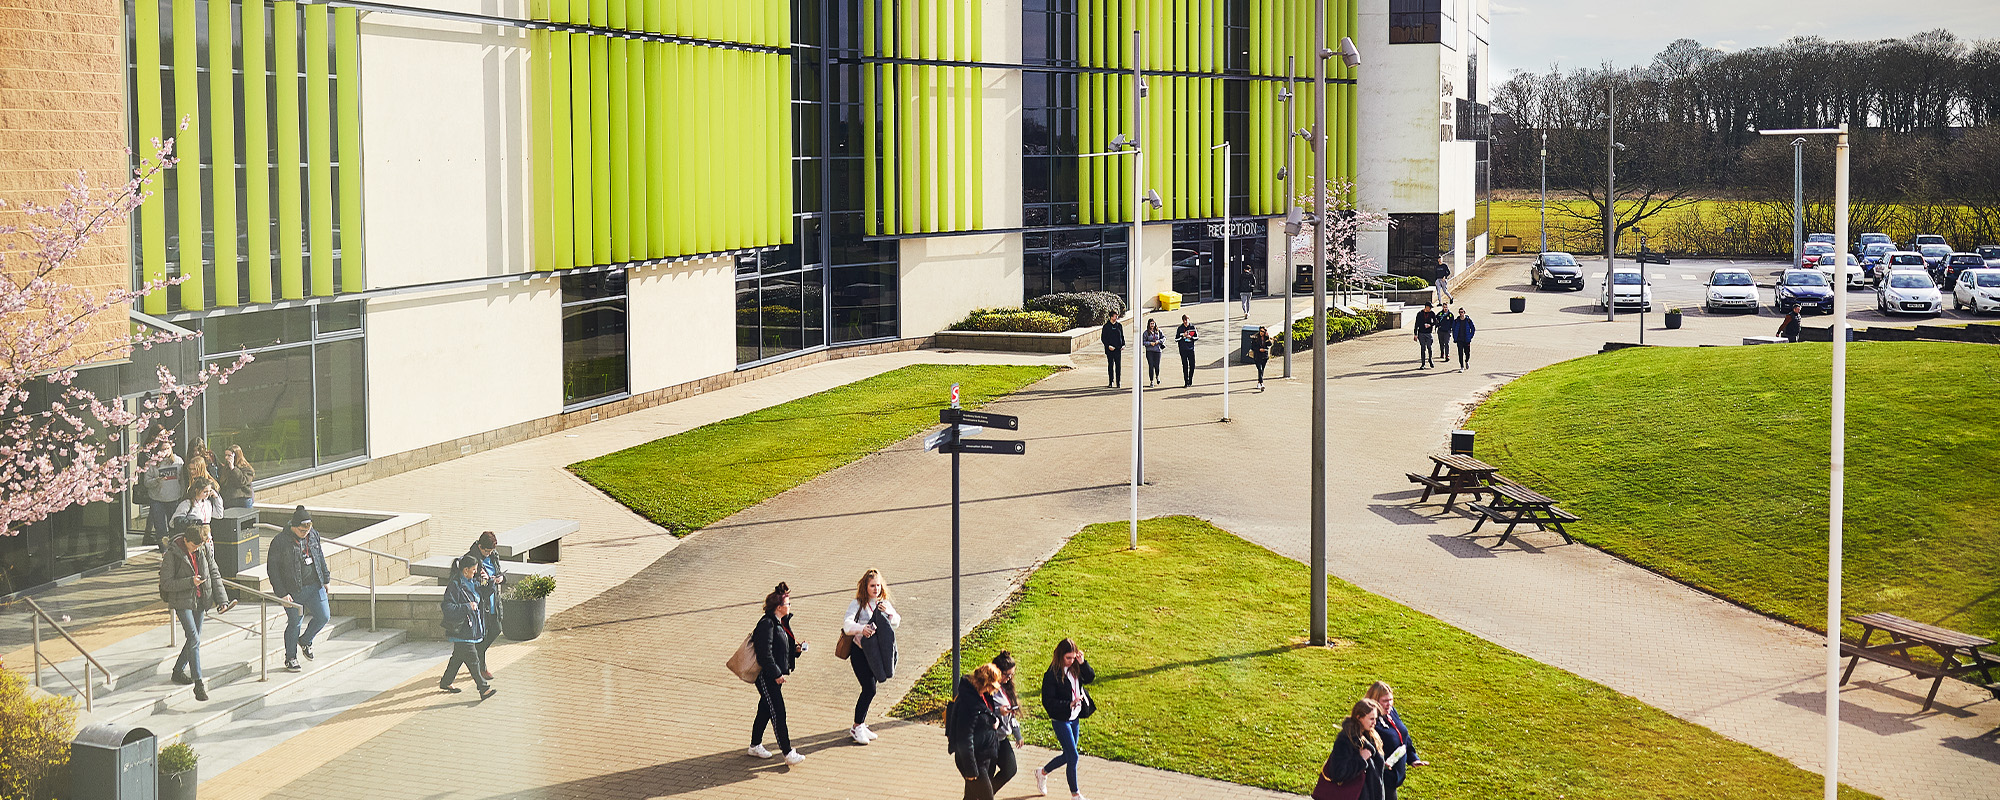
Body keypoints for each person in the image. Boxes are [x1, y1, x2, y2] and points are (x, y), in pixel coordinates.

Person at [159, 519, 230, 702]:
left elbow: (214, 572)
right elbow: (166, 584)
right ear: (186, 540)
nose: (196, 548)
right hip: (182, 600)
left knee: (194, 639)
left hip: (200, 599)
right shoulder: (172, 554)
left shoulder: (203, 549)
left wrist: (222, 600)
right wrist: (190, 582)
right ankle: (199, 684)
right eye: (194, 545)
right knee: (194, 638)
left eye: (200, 545)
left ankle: (177, 671)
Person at [268, 505, 331, 672]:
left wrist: (326, 579)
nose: (305, 533)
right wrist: (282, 593)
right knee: (295, 623)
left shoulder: (313, 536)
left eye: (307, 530)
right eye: (302, 530)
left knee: (324, 616)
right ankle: (291, 657)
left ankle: (306, 640)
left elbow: (320, 557)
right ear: (293, 527)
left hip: (315, 585)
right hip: (293, 590)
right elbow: (272, 570)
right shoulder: (280, 541)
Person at [749, 582, 807, 765]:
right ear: (779, 607)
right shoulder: (766, 624)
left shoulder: (781, 622)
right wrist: (775, 674)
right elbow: (764, 653)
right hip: (767, 677)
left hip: (775, 675)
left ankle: (754, 746)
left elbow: (781, 648)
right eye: (788, 604)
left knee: (765, 710)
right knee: (778, 713)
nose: (790, 607)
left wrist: (796, 650)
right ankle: (788, 753)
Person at [844, 568, 901, 745]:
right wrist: (862, 628)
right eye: (872, 586)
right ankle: (857, 726)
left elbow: (897, 621)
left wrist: (889, 613)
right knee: (869, 688)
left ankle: (862, 723)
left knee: (871, 687)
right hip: (860, 652)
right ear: (865, 587)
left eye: (878, 585)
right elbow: (847, 625)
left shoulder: (883, 602)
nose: (875, 589)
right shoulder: (857, 604)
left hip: (875, 653)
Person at [1034, 638, 1095, 800]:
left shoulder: (1076, 667)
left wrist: (1083, 663)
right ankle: (1075, 795)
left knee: (1069, 755)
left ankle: (1042, 772)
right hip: (1061, 718)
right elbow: (1048, 702)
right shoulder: (1052, 674)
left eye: (1073, 657)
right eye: (1068, 658)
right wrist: (1069, 704)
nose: (1071, 661)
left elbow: (1090, 678)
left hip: (1074, 718)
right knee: (1073, 756)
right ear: (1060, 656)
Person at [950, 663, 1016, 800]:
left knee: (970, 797)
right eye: (992, 686)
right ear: (985, 684)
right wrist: (971, 770)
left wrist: (995, 720)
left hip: (984, 756)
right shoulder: (968, 704)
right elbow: (965, 738)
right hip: (974, 761)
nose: (994, 690)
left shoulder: (982, 696)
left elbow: (987, 714)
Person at [438, 555, 497, 698]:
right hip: (462, 630)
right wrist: (467, 607)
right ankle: (483, 688)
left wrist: (490, 581)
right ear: (465, 570)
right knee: (473, 659)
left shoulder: (473, 582)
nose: (476, 572)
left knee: (457, 657)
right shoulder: (455, 585)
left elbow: (484, 593)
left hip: (472, 629)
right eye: (474, 570)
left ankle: (446, 682)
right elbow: (447, 607)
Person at [1366, 682, 1427, 800]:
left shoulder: (1391, 712)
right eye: (1385, 701)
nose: (1389, 704)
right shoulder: (1371, 722)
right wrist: (1381, 763)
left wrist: (1413, 757)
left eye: (1391, 700)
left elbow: (1403, 736)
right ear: (1375, 701)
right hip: (1380, 779)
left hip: (1393, 777)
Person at [1316, 698, 1387, 800]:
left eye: (1375, 719)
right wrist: (1361, 760)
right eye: (1371, 719)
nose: (1374, 722)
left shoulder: (1371, 737)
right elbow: (1338, 773)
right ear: (1359, 717)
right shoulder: (1346, 740)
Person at [466, 532, 506, 680]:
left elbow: (498, 571)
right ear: (480, 546)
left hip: (493, 599)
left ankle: (475, 657)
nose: (489, 554)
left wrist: (501, 578)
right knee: (481, 636)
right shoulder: (471, 559)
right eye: (486, 551)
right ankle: (481, 667)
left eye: (491, 551)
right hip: (480, 603)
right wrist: (483, 580)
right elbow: (469, 583)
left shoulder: (493, 555)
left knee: (496, 629)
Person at [140, 447, 186, 547]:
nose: (165, 451)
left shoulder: (178, 461)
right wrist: (157, 480)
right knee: (160, 529)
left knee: (174, 527)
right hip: (157, 500)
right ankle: (164, 551)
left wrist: (182, 494)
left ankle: (175, 550)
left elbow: (182, 480)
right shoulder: (152, 463)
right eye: (163, 448)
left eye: (167, 448)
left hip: (174, 499)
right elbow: (146, 483)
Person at [173, 477, 224, 543]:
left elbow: (219, 515)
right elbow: (175, 521)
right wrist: (194, 522)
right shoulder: (187, 503)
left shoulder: (207, 503)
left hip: (207, 538)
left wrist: (217, 498)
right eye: (205, 492)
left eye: (209, 491)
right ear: (197, 490)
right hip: (192, 539)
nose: (208, 494)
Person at [993, 651, 1024, 747]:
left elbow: (1011, 715)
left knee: (1011, 762)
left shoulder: (1006, 688)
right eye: (1007, 675)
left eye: (1011, 675)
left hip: (1002, 738)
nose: (1009, 678)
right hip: (990, 738)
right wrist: (998, 711)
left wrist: (1017, 734)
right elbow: (982, 711)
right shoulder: (988, 690)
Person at [1100, 311, 1125, 388]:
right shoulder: (1106, 326)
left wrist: (1123, 344)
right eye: (1115, 316)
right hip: (1110, 349)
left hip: (1118, 349)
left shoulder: (1119, 326)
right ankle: (1111, 381)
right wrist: (1108, 346)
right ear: (1111, 317)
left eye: (1117, 316)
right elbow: (1103, 338)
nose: (1116, 318)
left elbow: (1122, 336)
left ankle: (1118, 381)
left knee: (1118, 366)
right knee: (1110, 365)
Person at [1175, 314, 1198, 387]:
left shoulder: (1192, 327)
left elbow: (1197, 337)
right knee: (1185, 365)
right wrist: (1183, 336)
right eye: (1184, 320)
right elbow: (1176, 339)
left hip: (1190, 349)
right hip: (1183, 349)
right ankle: (1186, 381)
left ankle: (1190, 380)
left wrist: (1190, 337)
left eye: (1186, 320)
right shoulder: (1180, 328)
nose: (1185, 321)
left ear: (1189, 320)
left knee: (1192, 365)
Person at [1141, 319, 1166, 387]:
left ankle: (1157, 376)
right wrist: (1150, 343)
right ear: (1149, 324)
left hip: (1157, 351)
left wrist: (1159, 341)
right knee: (1151, 366)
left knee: (1157, 366)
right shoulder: (1146, 333)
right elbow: (1143, 342)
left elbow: (1164, 338)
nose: (1152, 325)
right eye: (1151, 324)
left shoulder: (1158, 331)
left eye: (1153, 323)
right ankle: (1151, 380)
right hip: (1150, 351)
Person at [1412, 303, 1436, 369]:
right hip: (1421, 333)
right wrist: (1415, 334)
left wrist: (1430, 325)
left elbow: (1435, 322)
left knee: (1429, 347)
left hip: (1428, 333)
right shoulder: (1420, 314)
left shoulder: (1432, 313)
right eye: (1429, 307)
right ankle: (1423, 364)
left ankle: (1430, 359)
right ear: (1426, 307)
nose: (1430, 309)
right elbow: (1416, 324)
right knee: (1423, 348)